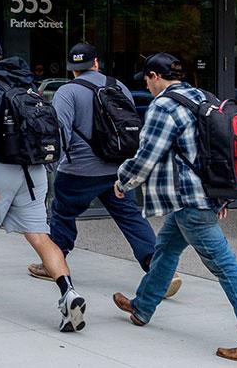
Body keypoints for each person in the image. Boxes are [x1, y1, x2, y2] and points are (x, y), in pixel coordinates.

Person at [112, 53, 237, 363]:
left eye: (146, 79)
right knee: (166, 249)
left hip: (191, 202)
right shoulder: (202, 97)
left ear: (154, 76)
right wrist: (221, 197)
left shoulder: (164, 105)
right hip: (199, 198)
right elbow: (217, 151)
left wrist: (123, 181)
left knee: (227, 269)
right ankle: (142, 306)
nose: (146, 86)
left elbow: (148, 156)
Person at [0, 36, 86, 333]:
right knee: (39, 236)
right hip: (34, 171)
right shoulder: (25, 82)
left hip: (0, 170)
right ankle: (68, 292)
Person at [28, 43, 182, 298]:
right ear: (96, 63)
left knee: (62, 213)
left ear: (72, 69)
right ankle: (162, 270)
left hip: (79, 171)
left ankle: (53, 262)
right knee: (131, 218)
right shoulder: (118, 86)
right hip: (117, 169)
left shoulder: (67, 92)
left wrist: (52, 164)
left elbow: (61, 132)